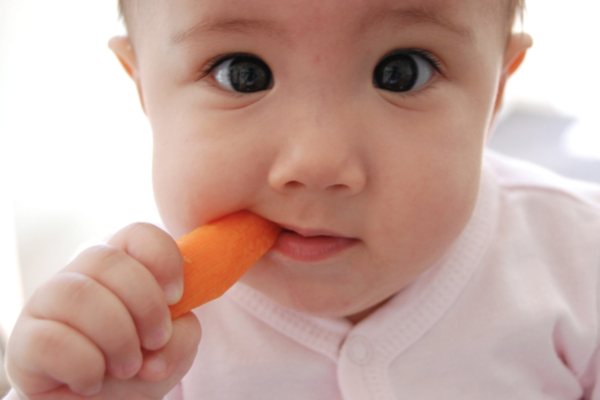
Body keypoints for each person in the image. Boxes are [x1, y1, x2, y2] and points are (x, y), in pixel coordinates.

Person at [4, 0, 600, 398]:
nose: (316, 163)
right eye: (243, 73)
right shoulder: (130, 322)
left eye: (402, 72)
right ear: (143, 90)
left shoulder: (580, 263)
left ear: (495, 90)